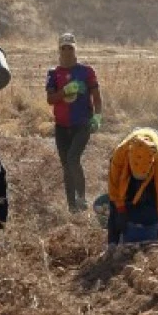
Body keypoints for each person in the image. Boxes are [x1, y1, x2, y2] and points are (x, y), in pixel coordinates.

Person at [46, 32, 102, 213]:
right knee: (66, 165)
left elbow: (96, 96)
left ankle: (82, 198)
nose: (67, 51)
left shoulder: (86, 71)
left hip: (82, 123)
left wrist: (98, 116)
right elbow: (50, 99)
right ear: (59, 50)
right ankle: (72, 207)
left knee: (73, 159)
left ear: (75, 49)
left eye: (70, 47)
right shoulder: (53, 74)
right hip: (61, 126)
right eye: (64, 47)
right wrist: (64, 91)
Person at [107, 127, 158, 245]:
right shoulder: (120, 154)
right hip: (127, 159)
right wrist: (120, 209)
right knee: (114, 204)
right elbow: (113, 185)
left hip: (157, 142)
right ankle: (112, 243)